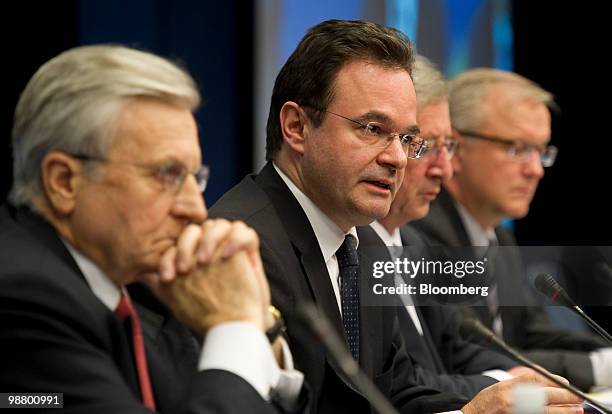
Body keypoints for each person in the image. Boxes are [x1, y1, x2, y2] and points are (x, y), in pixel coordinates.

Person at [209, 19, 582, 413]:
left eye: (407, 139)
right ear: (297, 127)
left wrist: (504, 403)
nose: (397, 158)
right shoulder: (245, 247)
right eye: (372, 129)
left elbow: (397, 393)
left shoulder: (364, 243)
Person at [0, 45, 306, 413]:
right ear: (64, 181)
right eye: (167, 175)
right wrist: (233, 326)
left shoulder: (146, 287)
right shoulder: (22, 298)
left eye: (194, 177)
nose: (196, 210)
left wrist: (258, 323)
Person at [413, 67, 612, 391]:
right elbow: (472, 354)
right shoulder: (421, 232)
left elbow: (531, 332)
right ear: (457, 149)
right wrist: (599, 368)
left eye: (541, 151)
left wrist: (605, 354)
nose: (535, 170)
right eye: (518, 148)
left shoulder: (499, 237)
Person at [371, 55, 535, 398]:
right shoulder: (352, 253)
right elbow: (401, 386)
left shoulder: (414, 243)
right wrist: (504, 386)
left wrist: (519, 375)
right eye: (426, 147)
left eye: (448, 147)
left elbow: (455, 346)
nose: (444, 170)